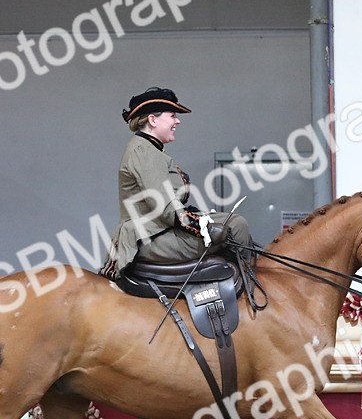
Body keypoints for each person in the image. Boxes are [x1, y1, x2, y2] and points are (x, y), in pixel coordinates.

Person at [103, 87, 253, 278]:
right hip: (149, 238)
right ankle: (248, 292)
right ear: (152, 119)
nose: (177, 121)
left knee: (232, 224)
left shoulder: (149, 149)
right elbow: (166, 208)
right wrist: (202, 226)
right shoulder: (143, 152)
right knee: (236, 226)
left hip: (157, 231)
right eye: (172, 115)